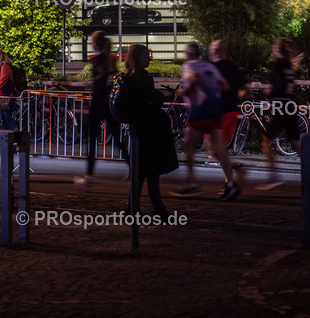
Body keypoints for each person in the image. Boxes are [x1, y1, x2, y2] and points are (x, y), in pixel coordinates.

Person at [170, 42, 239, 201]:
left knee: (188, 147)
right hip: (215, 110)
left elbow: (193, 79)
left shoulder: (189, 65)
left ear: (188, 54)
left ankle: (192, 185)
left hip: (199, 111)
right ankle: (231, 184)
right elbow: (224, 85)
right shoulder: (210, 66)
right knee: (220, 149)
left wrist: (184, 92)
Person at [125, 44, 179, 217]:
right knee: (150, 171)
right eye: (147, 55)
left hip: (137, 128)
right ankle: (157, 209)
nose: (149, 58)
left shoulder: (129, 76)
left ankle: (136, 208)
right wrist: (163, 96)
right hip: (148, 129)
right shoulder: (143, 77)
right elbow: (151, 100)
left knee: (142, 172)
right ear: (139, 58)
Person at [75, 31, 129, 189]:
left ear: (96, 44)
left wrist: (90, 85)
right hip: (111, 104)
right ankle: (134, 168)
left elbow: (98, 81)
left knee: (92, 140)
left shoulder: (97, 60)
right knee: (118, 140)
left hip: (98, 103)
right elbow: (113, 80)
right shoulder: (112, 61)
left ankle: (89, 176)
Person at [258, 37, 303, 190]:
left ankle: (273, 177)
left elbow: (277, 87)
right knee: (295, 141)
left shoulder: (278, 65)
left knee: (266, 138)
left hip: (281, 105)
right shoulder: (290, 67)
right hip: (290, 104)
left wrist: (268, 91)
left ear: (278, 50)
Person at [210, 39, 248, 152]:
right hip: (231, 110)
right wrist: (238, 95)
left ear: (216, 51)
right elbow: (246, 89)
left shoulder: (212, 68)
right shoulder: (233, 67)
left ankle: (223, 162)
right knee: (220, 144)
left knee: (212, 142)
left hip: (217, 111)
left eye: (212, 50)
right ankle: (225, 164)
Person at [0, 50, 18, 130]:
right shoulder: (0, 67)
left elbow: (3, 81)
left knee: (6, 116)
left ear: (2, 57)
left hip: (7, 95)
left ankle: (12, 136)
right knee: (4, 116)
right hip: (2, 95)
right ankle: (8, 137)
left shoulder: (5, 67)